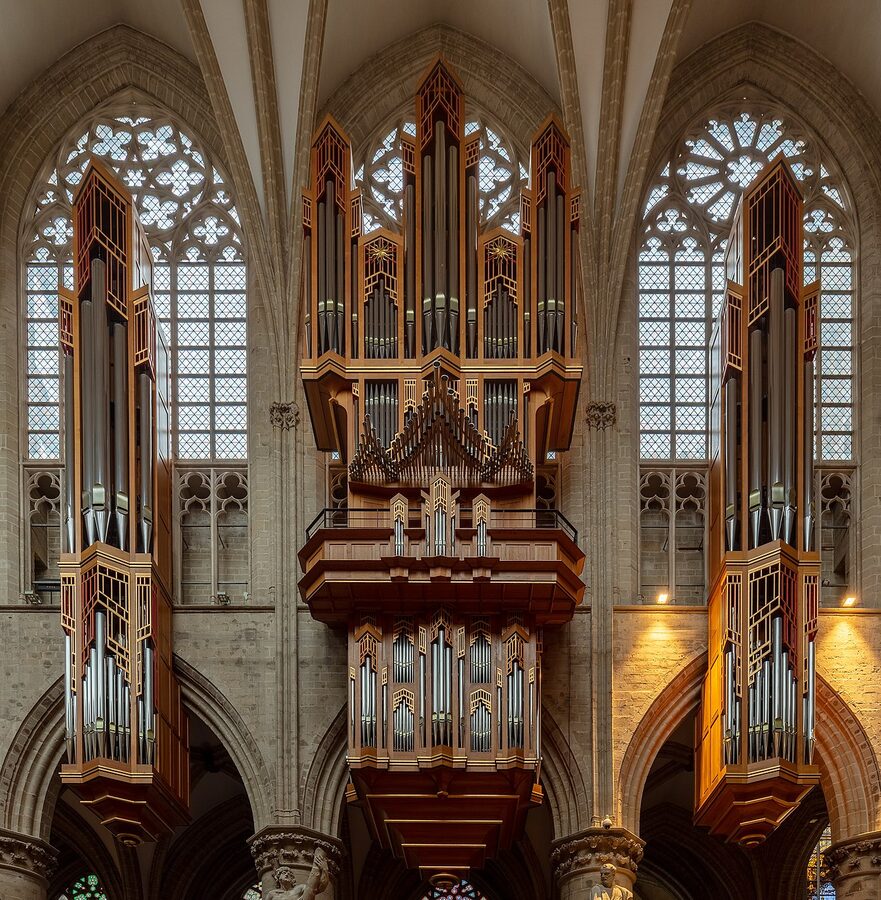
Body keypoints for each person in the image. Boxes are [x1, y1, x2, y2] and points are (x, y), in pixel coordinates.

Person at [265, 849, 330, 900]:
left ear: (292, 879)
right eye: (284, 873)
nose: (287, 874)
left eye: (290, 875)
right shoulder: (272, 894)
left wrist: (325, 870)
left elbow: (319, 887)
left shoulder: (299, 889)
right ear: (278, 877)